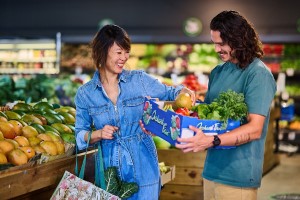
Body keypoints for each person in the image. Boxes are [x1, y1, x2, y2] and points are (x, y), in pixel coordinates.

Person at [74, 24, 194, 200]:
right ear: (102, 51)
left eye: (126, 52)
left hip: (143, 161)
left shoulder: (138, 80)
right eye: (119, 52)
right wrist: (99, 133)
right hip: (109, 169)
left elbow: (170, 92)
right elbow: (80, 136)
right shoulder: (86, 93)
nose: (124, 57)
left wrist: (184, 92)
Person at [176, 10, 277, 200]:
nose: (216, 49)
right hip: (211, 171)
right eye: (214, 43)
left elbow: (255, 129)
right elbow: (204, 119)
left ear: (239, 40)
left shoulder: (258, 74)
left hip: (238, 176)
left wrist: (213, 140)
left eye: (221, 44)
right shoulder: (218, 72)